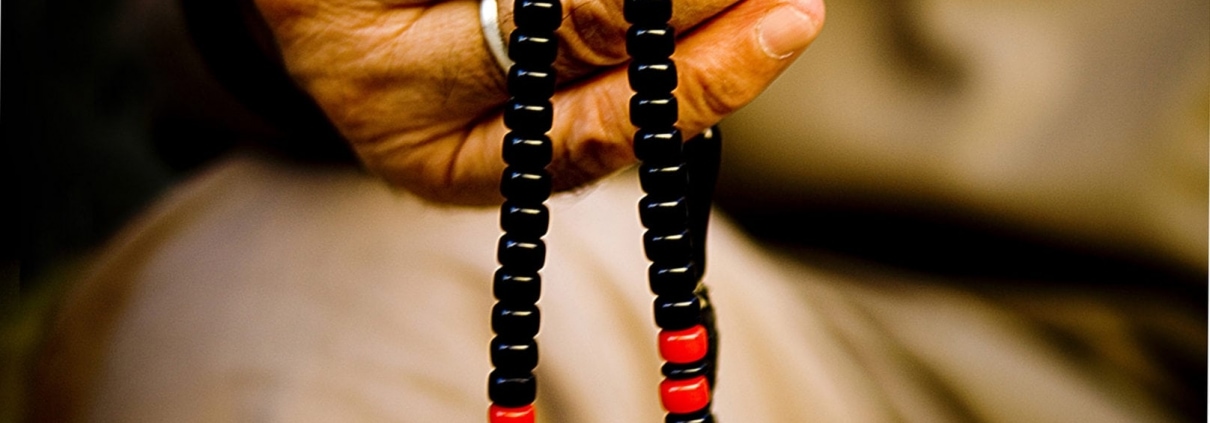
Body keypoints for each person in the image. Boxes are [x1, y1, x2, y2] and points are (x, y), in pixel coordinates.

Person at [27, 0, 1204, 421]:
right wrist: (289, 34)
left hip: (1128, 363)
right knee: (287, 297)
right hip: (685, 301)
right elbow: (189, 48)